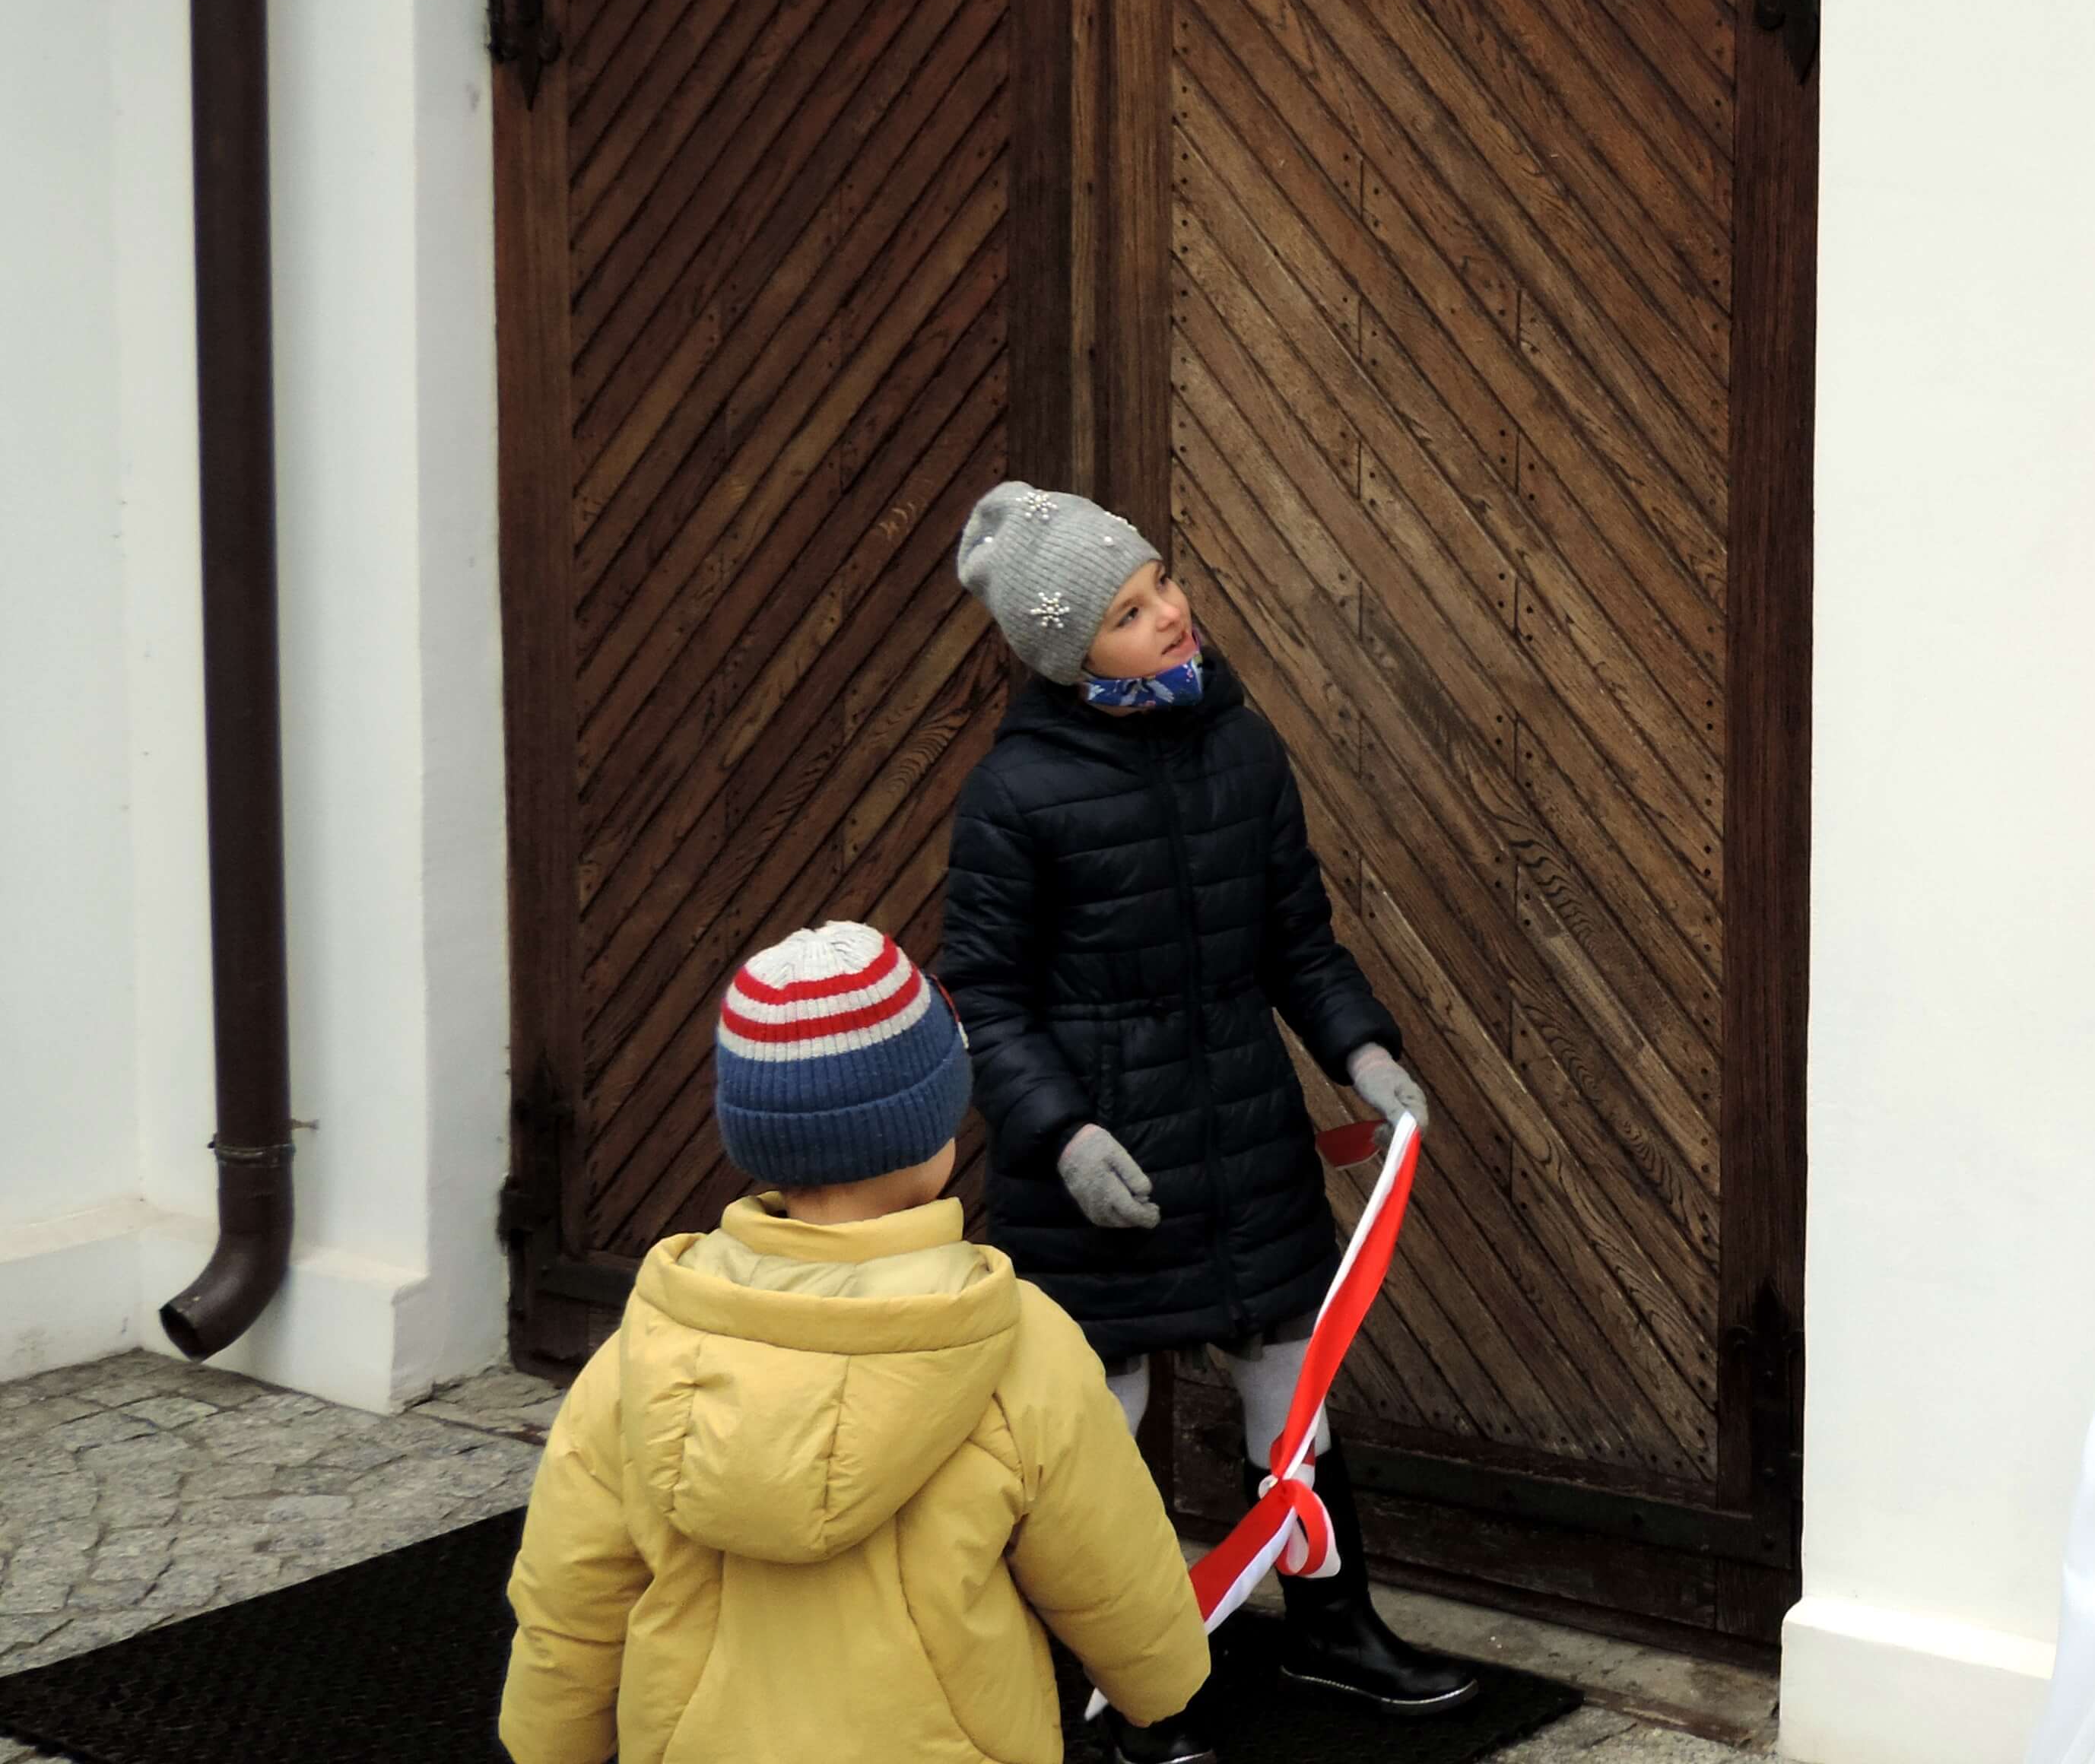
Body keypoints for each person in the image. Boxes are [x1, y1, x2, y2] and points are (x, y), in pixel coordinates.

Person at [945, 480, 1477, 1717]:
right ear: (1069, 654)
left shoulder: (1241, 744)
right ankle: (1108, 1671)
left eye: (1162, 583)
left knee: (1289, 1384)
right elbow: (979, 991)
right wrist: (1061, 1135)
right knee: (1099, 1411)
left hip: (1242, 1132)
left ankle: (1332, 1624)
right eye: (1130, 613)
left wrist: (1361, 1051)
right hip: (1101, 1160)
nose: (1171, 615)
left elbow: (1296, 938)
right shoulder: (1014, 794)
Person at [498, 922, 1215, 1764]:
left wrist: (547, 1744)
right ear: (930, 1133)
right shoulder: (1021, 1347)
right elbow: (1113, 1569)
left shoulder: (649, 1346)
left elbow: (573, 1588)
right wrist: (1160, 1691)